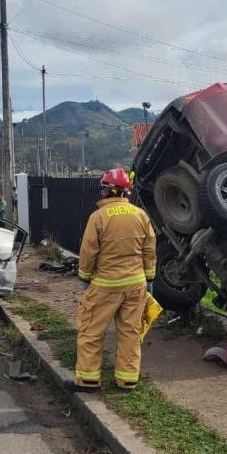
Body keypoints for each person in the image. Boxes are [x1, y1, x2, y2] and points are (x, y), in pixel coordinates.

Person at [68, 168, 156, 393]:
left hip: (105, 285)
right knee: (130, 333)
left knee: (90, 332)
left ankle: (88, 380)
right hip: (136, 285)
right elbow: (149, 250)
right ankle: (127, 380)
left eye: (103, 187)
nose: (102, 191)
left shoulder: (99, 217)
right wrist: (150, 278)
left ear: (108, 190)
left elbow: (88, 252)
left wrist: (85, 278)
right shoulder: (140, 215)